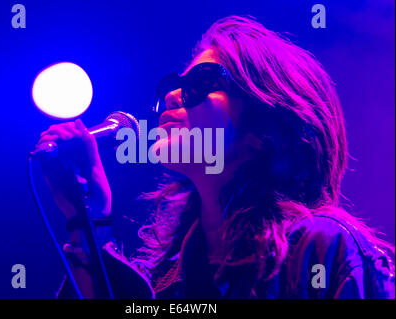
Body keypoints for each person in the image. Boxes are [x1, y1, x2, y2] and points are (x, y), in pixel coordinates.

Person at [34, 16, 394, 299]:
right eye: (171, 87)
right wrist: (88, 221)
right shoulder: (166, 281)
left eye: (201, 84)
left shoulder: (324, 250)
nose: (173, 95)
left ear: (265, 130)